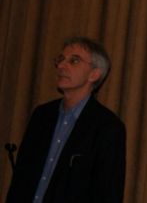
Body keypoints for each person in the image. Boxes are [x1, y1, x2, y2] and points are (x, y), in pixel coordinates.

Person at [6, 36, 126, 203]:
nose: (62, 66)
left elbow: (108, 194)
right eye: (61, 59)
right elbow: (21, 177)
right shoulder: (42, 115)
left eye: (74, 61)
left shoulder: (108, 127)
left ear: (94, 74)